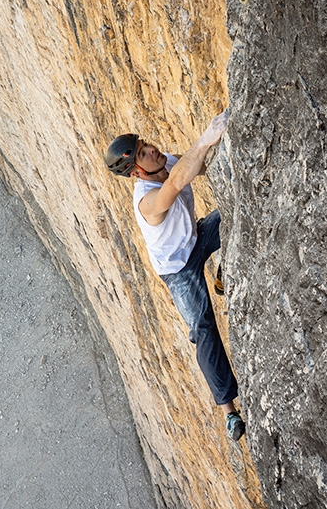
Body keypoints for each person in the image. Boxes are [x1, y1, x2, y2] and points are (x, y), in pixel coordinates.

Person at [103, 111, 245, 441]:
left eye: (144, 144)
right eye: (143, 153)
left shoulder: (165, 160)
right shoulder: (148, 202)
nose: (152, 149)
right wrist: (206, 137)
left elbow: (199, 166)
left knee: (238, 208)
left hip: (196, 237)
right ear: (137, 171)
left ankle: (226, 271)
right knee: (202, 328)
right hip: (178, 270)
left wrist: (224, 142)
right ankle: (229, 411)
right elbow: (179, 181)